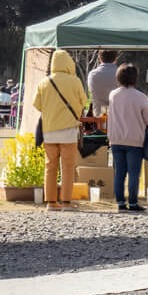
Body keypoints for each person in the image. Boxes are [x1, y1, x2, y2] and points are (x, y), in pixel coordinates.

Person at [33, 49, 89, 211]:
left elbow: (37, 105)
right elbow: (83, 101)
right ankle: (66, 202)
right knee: (68, 167)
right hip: (68, 130)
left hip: (49, 130)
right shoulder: (75, 81)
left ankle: (51, 202)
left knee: (50, 167)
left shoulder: (45, 82)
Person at [107, 63, 148, 212]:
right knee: (134, 173)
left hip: (116, 139)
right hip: (135, 140)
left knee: (119, 172)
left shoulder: (113, 95)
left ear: (118, 77)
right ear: (135, 78)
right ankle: (133, 203)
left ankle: (120, 203)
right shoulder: (140, 97)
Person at [87, 50, 120, 116]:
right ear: (116, 58)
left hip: (98, 117)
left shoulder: (92, 75)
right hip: (117, 116)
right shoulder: (121, 74)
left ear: (100, 58)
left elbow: (90, 91)